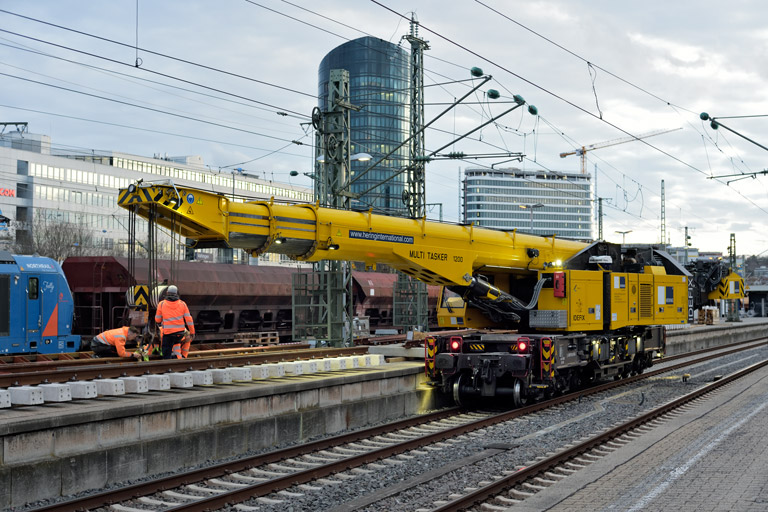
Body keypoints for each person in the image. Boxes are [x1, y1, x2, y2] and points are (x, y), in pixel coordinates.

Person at [154, 285, 195, 359]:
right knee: (176, 346)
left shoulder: (162, 304)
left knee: (166, 351)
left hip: (168, 334)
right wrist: (192, 332)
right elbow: (189, 320)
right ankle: (178, 359)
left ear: (167, 293)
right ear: (176, 293)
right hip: (180, 334)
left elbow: (157, 320)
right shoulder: (183, 304)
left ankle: (168, 365)